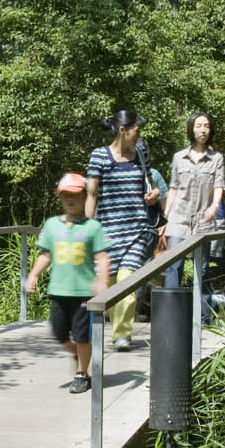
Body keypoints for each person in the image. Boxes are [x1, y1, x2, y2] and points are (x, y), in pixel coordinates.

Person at [85, 109, 167, 353]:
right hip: (108, 231)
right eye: (136, 131)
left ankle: (122, 335)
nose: (139, 136)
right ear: (123, 131)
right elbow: (91, 194)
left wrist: (153, 195)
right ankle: (117, 326)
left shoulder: (140, 154)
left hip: (137, 230)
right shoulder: (99, 156)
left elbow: (150, 184)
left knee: (127, 281)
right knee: (110, 285)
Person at [25, 171, 110, 394]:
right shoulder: (52, 225)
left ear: (84, 197)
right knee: (59, 334)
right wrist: (33, 275)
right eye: (66, 195)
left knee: (82, 336)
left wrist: (102, 280)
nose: (70, 199)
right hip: (58, 291)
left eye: (75, 195)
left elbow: (102, 257)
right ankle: (79, 355)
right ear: (60, 197)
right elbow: (45, 254)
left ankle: (82, 374)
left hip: (84, 293)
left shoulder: (93, 227)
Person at [162, 111, 225, 322]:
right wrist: (165, 217)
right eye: (198, 125)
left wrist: (214, 206)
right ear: (191, 129)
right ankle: (171, 319)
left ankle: (203, 318)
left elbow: (219, 186)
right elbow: (173, 188)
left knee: (202, 268)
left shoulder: (216, 158)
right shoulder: (178, 157)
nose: (203, 130)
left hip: (203, 220)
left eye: (206, 125)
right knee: (174, 264)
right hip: (178, 218)